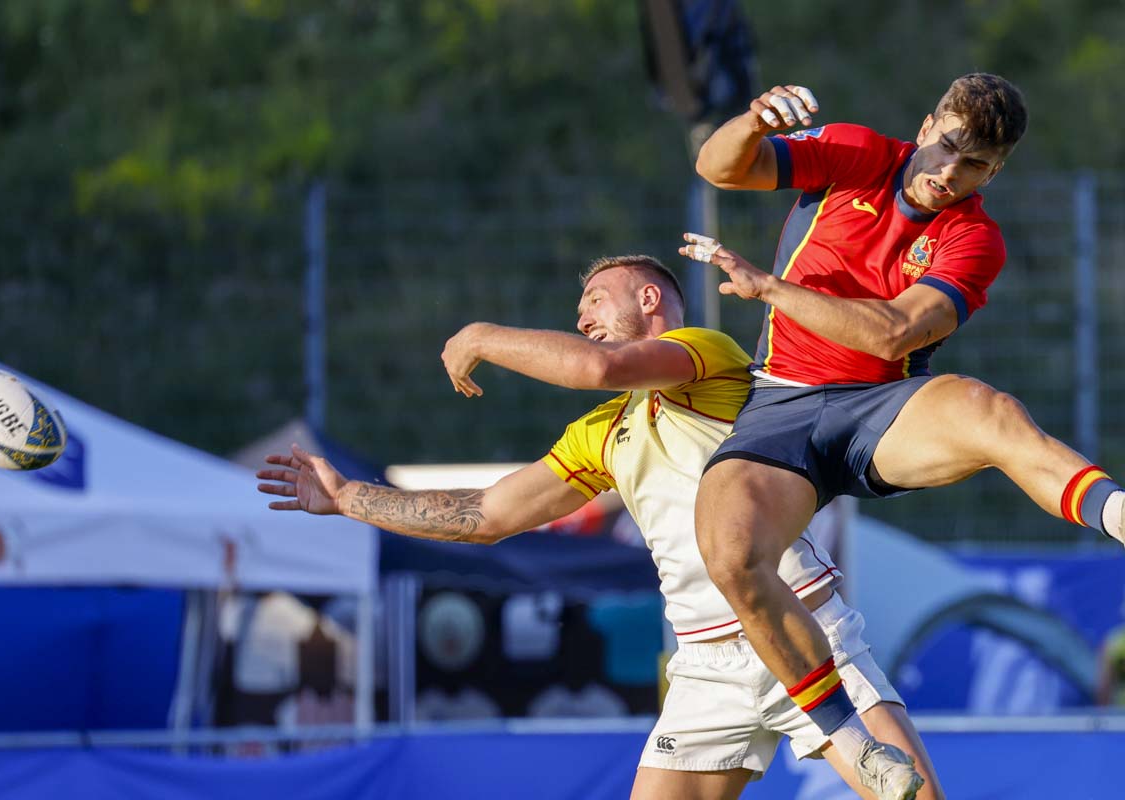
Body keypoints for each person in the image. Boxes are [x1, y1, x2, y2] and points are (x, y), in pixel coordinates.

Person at [257, 255, 942, 800]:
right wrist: (348, 497)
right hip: (705, 665)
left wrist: (480, 336)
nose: (582, 318)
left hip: (801, 627)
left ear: (649, 298)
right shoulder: (603, 433)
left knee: (916, 798)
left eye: (595, 300)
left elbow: (598, 368)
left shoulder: (703, 354)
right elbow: (488, 516)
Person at [679, 73, 1124, 799]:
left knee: (990, 411)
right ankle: (858, 747)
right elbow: (719, 167)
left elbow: (893, 335)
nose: (950, 172)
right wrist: (754, 122)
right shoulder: (855, 152)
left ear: (995, 173)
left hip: (881, 407)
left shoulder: (975, 238)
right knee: (730, 552)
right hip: (782, 401)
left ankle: (1119, 514)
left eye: (975, 165)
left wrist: (771, 289)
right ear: (924, 127)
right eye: (947, 147)